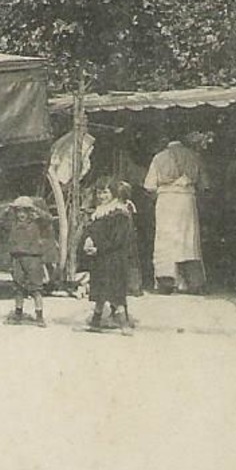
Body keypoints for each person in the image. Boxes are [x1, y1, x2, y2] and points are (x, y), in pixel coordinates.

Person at [144, 135, 209, 294]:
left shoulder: (159, 157)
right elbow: (205, 184)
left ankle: (166, 282)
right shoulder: (194, 156)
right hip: (187, 200)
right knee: (188, 240)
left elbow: (149, 185)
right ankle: (193, 283)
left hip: (166, 199)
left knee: (165, 239)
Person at [84, 179, 138, 333]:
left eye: (105, 192)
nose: (101, 196)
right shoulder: (99, 212)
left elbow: (118, 239)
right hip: (101, 258)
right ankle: (96, 322)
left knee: (115, 292)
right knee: (100, 292)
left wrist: (99, 249)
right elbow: (93, 232)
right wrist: (88, 240)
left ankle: (124, 324)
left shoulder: (119, 214)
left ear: (113, 193)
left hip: (114, 258)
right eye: (99, 192)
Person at [0, 196, 55, 327]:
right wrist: (7, 210)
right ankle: (18, 313)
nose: (21, 214)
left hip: (33, 259)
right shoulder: (13, 225)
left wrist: (35, 208)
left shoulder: (36, 223)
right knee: (18, 287)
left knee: (36, 289)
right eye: (19, 211)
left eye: (25, 211)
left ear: (29, 212)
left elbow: (49, 219)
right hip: (17, 258)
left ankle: (39, 316)